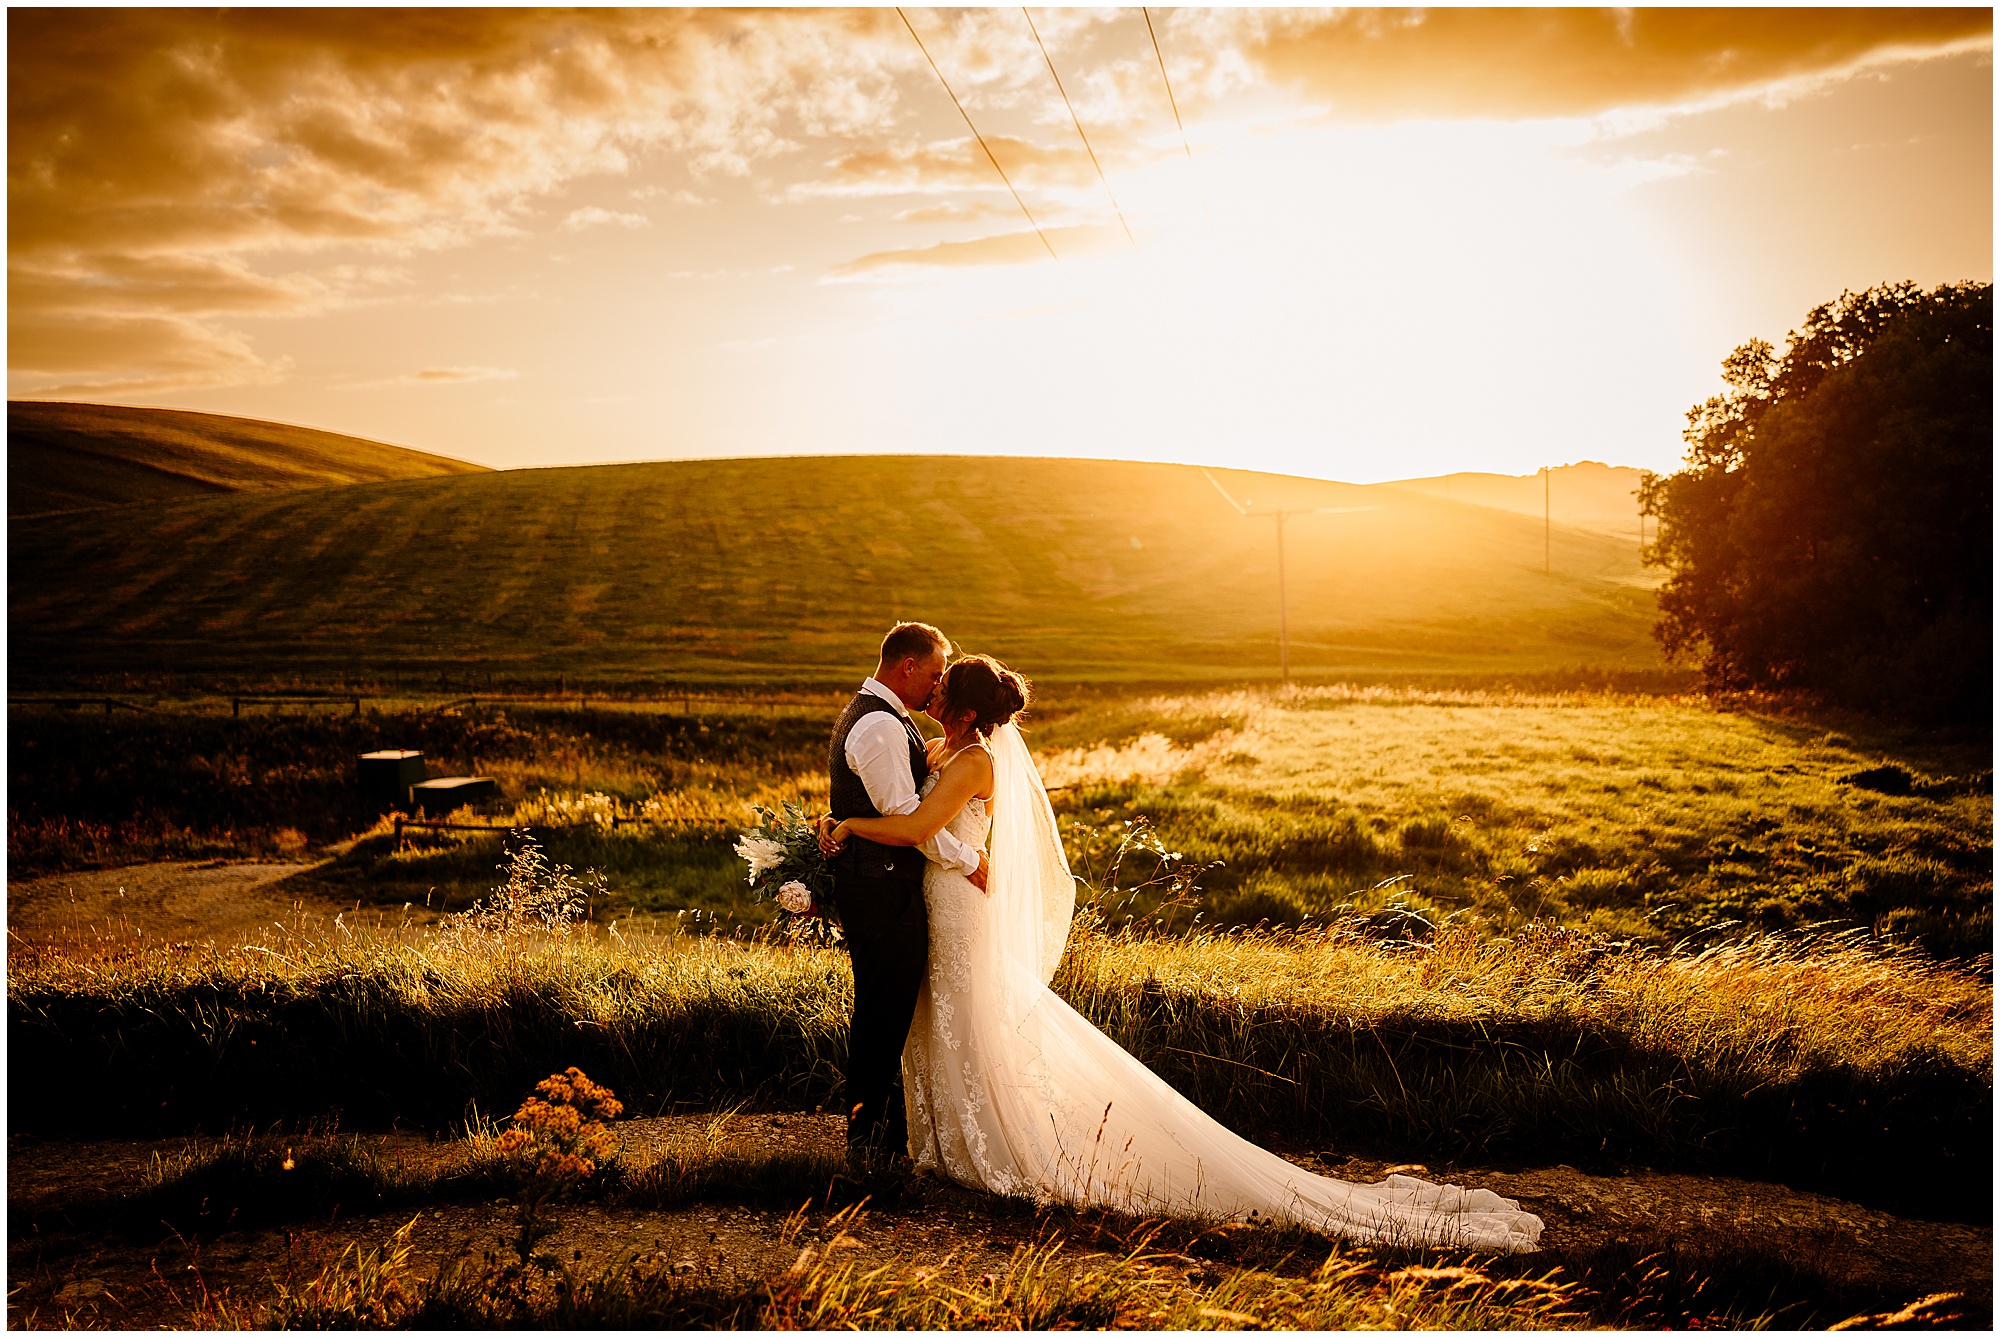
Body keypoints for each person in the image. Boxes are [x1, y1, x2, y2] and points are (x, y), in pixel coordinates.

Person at [823, 654, 1544, 1252]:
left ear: (968, 712)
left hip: (957, 911)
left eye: (945, 688)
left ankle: (988, 1142)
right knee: (952, 1019)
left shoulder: (974, 762)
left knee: (971, 1017)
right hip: (946, 904)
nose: (935, 691)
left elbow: (918, 824)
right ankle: (948, 1142)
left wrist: (846, 824)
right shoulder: (950, 750)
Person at [823, 622, 989, 1184]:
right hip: (884, 887)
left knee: (899, 1015)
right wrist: (970, 861)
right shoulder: (879, 726)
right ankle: (870, 1146)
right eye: (936, 671)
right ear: (909, 667)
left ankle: (891, 1140)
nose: (938, 684)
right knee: (883, 1017)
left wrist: (844, 823)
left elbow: (903, 815)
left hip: (906, 887)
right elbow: (907, 822)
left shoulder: (894, 724)